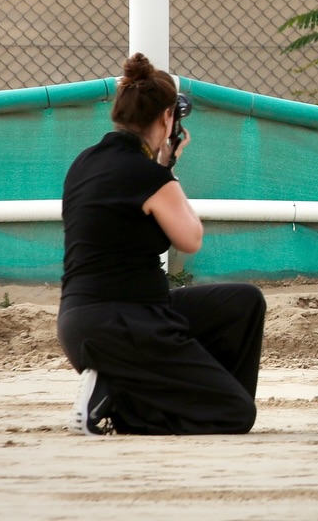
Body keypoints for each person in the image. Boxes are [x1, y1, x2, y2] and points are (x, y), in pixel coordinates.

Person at [57, 54, 265, 435]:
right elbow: (191, 238)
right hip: (120, 324)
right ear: (167, 118)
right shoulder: (146, 174)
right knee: (236, 415)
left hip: (87, 319)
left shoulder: (84, 162)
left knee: (242, 304)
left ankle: (198, 395)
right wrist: (167, 169)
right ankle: (116, 398)